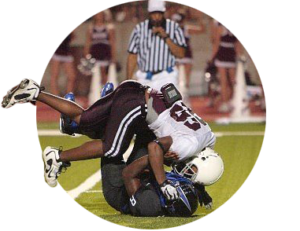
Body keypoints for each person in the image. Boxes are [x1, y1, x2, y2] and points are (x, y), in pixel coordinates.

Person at [1, 78, 223, 202]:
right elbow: (155, 148)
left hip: (136, 90)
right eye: (192, 171)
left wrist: (202, 191)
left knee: (83, 119)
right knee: (111, 149)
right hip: (137, 107)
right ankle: (57, 157)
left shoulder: (207, 138)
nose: (188, 173)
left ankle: (32, 91)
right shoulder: (188, 147)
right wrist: (164, 183)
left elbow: (197, 160)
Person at [126, 0, 187, 90]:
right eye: (154, 14)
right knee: (145, 104)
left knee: (171, 103)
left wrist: (166, 38)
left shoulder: (174, 28)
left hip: (167, 76)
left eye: (159, 14)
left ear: (163, 13)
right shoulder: (139, 29)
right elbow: (132, 57)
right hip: (145, 78)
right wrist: (128, 82)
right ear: (149, 13)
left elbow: (181, 54)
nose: (157, 17)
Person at [210, 22, 244, 113]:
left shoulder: (222, 28)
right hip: (226, 54)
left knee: (229, 81)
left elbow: (236, 44)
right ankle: (227, 102)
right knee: (227, 81)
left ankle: (230, 101)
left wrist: (212, 57)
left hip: (227, 54)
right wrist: (241, 56)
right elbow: (218, 43)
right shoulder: (222, 27)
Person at [172, 10, 205, 89]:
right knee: (186, 79)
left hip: (178, 55)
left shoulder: (171, 30)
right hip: (185, 54)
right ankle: (185, 94)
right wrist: (199, 18)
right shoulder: (186, 29)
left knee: (175, 78)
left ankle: (177, 96)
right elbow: (202, 29)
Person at [83, 10, 116, 85]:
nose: (99, 16)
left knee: (104, 74)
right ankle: (95, 93)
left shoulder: (109, 28)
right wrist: (86, 56)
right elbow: (87, 43)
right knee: (95, 75)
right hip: (94, 54)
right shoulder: (91, 28)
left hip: (105, 54)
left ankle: (104, 92)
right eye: (97, 14)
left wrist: (113, 57)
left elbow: (112, 43)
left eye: (101, 14)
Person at [50, 29, 76, 96]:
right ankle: (55, 96)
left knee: (71, 76)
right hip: (56, 51)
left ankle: (69, 97)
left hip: (66, 51)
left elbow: (73, 37)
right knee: (55, 75)